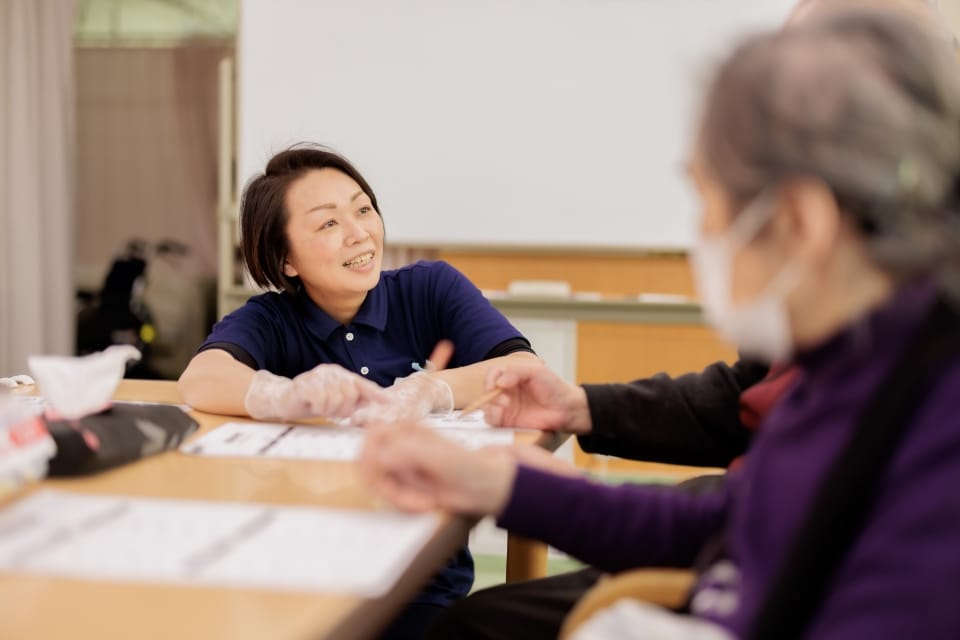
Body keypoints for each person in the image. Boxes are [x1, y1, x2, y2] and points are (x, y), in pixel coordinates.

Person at [362, 7, 960, 639]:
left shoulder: (930, 423)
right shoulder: (848, 363)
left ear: (800, 221)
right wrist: (503, 483)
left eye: (709, 198)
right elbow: (732, 522)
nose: (703, 232)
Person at [177, 145, 540, 638]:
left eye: (363, 208)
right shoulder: (272, 319)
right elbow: (201, 377)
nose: (360, 232)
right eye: (328, 224)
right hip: (303, 577)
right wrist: (280, 394)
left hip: (421, 584)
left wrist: (433, 388)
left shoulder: (430, 288)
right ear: (286, 259)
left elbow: (523, 367)